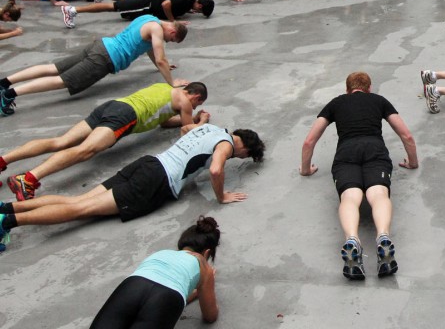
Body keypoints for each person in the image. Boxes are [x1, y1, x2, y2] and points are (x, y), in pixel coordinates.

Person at [0, 123, 264, 253]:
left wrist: (186, 157)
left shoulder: (210, 127)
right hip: (156, 182)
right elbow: (217, 169)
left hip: (149, 162)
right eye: (242, 156)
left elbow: (185, 127)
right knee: (80, 210)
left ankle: (8, 207)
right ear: (243, 146)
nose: (236, 157)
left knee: (77, 200)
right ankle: (7, 221)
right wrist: (222, 196)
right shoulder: (227, 144)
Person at [1, 80, 208, 200]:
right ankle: (28, 179)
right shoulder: (186, 103)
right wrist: (201, 121)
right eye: (198, 104)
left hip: (114, 106)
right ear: (196, 97)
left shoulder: (165, 87)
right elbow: (188, 131)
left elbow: (163, 121)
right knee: (85, 151)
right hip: (126, 117)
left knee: (61, 141)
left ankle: (4, 160)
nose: (195, 108)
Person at [299, 72, 418, 280]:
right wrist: (413, 161)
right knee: (379, 193)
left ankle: (352, 239)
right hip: (375, 151)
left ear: (347, 89)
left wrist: (306, 168)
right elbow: (406, 134)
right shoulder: (379, 100)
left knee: (350, 197)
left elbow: (310, 140)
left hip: (346, 153)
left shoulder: (335, 103)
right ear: (369, 88)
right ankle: (382, 236)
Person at [0, 16, 187, 115]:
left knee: (53, 68)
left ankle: (5, 82)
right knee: (61, 81)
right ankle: (8, 95)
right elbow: (160, 56)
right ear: (172, 29)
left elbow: (151, 52)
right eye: (172, 39)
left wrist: (160, 66)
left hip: (101, 45)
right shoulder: (157, 30)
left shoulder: (149, 18)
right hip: (105, 59)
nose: (168, 42)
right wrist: (172, 83)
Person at [91, 215, 221, 327]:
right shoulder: (203, 266)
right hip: (166, 297)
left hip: (132, 286)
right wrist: (204, 288)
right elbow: (210, 316)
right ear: (207, 252)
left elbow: (158, 283)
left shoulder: (161, 253)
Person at [60, 0, 213, 28]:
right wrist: (172, 21)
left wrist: (188, 10)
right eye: (200, 11)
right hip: (148, 5)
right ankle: (73, 10)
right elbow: (167, 5)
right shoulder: (187, 1)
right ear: (199, 5)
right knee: (114, 7)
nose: (198, 12)